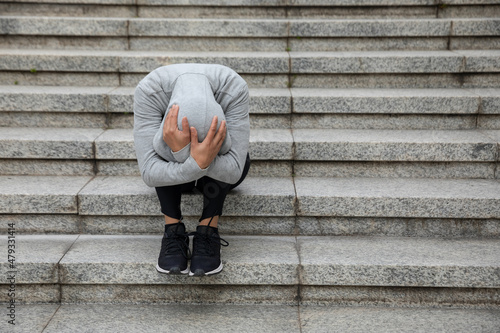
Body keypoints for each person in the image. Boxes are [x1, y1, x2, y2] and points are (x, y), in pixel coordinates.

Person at [133, 64, 250, 276]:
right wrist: (181, 150)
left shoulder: (234, 88)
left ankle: (208, 228)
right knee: (158, 153)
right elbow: (149, 171)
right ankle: (173, 229)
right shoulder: (149, 91)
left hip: (221, 165)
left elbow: (234, 170)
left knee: (219, 151)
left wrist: (200, 153)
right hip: (171, 162)